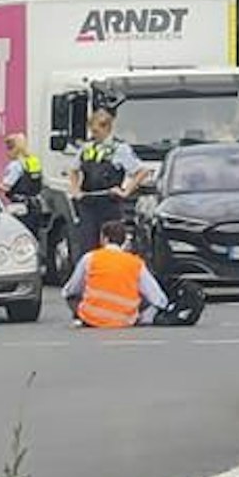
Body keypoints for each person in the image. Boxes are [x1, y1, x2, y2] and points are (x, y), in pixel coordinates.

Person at [66, 108, 148, 260]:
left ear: (107, 128)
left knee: (111, 246)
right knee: (87, 246)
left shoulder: (120, 149)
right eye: (92, 130)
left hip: (109, 202)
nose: (93, 134)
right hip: (88, 202)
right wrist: (75, 190)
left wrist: (126, 191)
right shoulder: (87, 147)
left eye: (96, 131)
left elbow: (141, 171)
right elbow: (73, 170)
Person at [64, 218, 169, 327]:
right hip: (125, 320)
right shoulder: (136, 263)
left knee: (71, 295)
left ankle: (81, 318)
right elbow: (158, 299)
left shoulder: (90, 258)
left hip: (92, 318)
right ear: (124, 241)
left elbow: (71, 290)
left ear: (104, 239)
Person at [0, 132, 45, 213]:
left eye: (8, 149)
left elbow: (6, 187)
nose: (6, 153)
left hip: (19, 207)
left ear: (13, 149)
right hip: (35, 206)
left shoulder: (15, 165)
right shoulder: (34, 161)